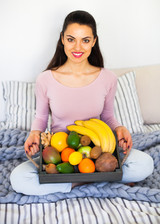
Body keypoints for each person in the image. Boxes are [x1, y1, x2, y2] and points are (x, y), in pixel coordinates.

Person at [10, 10, 154, 195]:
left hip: (98, 152)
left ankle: (75, 181)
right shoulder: (45, 79)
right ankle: (93, 181)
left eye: (85, 40)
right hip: (61, 154)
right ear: (62, 39)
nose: (78, 47)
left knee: (144, 164)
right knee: (19, 179)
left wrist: (119, 128)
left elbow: (108, 116)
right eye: (71, 39)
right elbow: (40, 117)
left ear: (94, 41)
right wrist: (34, 134)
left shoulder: (108, 78)